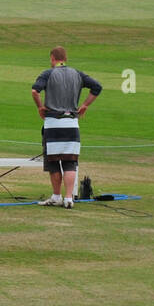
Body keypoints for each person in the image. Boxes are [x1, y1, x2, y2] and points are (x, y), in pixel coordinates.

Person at [32, 46, 102, 208]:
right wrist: (85, 105)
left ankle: (56, 196)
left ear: (52, 58)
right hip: (72, 123)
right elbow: (97, 87)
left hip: (53, 124)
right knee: (70, 163)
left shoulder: (48, 73)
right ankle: (69, 198)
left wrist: (40, 107)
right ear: (66, 58)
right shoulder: (77, 73)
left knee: (54, 163)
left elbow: (35, 91)